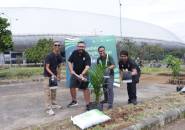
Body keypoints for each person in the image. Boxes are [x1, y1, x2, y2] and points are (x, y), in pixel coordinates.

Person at [67, 41, 91, 110]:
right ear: (77, 47)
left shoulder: (86, 55)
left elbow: (87, 66)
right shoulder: (74, 53)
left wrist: (82, 74)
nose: (81, 48)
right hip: (75, 74)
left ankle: (88, 104)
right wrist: (71, 70)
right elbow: (69, 61)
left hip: (84, 74)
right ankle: (74, 101)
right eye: (79, 46)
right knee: (72, 86)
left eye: (82, 47)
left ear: (84, 47)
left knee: (85, 89)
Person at [43, 41, 63, 115]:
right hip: (47, 76)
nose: (57, 46)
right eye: (55, 45)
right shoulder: (49, 56)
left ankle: (54, 104)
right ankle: (48, 108)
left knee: (54, 91)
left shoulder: (59, 56)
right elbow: (47, 67)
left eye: (58, 45)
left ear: (60, 46)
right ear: (53, 46)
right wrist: (53, 75)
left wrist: (59, 75)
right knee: (47, 93)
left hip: (54, 77)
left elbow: (59, 66)